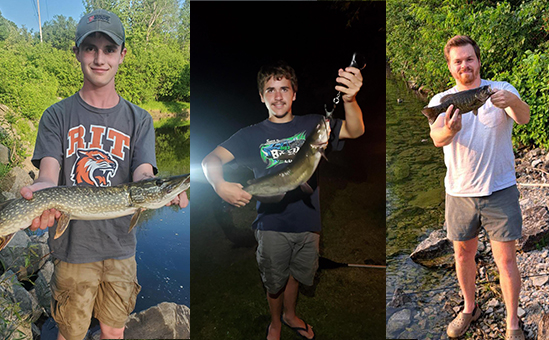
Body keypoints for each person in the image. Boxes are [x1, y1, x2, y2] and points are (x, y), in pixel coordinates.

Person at [20, 9, 188, 340]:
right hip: (72, 254)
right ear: (77, 53)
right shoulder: (57, 115)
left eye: (109, 49)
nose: (100, 58)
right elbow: (49, 176)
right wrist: (39, 193)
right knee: (71, 333)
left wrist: (161, 191)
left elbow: (142, 175)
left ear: (122, 55)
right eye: (90, 48)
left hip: (121, 250)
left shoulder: (139, 119)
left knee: (114, 331)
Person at [202, 61, 364, 340]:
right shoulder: (250, 135)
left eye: (284, 89)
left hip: (309, 222)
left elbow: (355, 130)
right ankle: (275, 322)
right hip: (271, 224)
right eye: (270, 90)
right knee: (274, 280)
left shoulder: (314, 124)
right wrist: (219, 184)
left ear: (294, 93)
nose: (278, 96)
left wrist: (350, 99)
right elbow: (210, 160)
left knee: (297, 274)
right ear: (261, 97)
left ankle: (290, 314)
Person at [428, 35, 530, 339]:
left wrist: (511, 101)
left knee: (507, 260)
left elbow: (523, 118)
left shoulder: (501, 90)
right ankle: (469, 308)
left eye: (469, 59)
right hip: (459, 193)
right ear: (450, 66)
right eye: (457, 61)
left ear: (478, 60)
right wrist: (449, 128)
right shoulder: (439, 101)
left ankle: (512, 324)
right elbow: (436, 138)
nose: (464, 65)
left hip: (500, 189)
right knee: (462, 255)